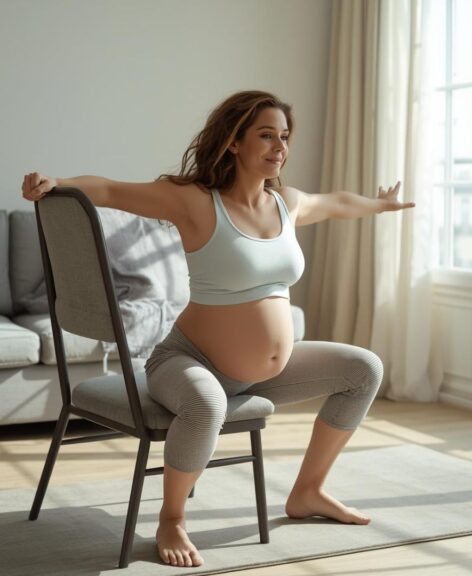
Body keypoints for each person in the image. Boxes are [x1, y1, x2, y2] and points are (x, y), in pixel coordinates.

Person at [21, 90, 414, 567]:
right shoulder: (194, 202)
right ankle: (171, 518)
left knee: (364, 369)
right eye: (265, 135)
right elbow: (108, 190)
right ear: (233, 141)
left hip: (266, 371)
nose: (279, 146)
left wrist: (379, 205)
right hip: (187, 361)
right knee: (206, 405)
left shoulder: (286, 203)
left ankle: (308, 491)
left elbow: (334, 203)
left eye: (284, 137)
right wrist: (55, 181)